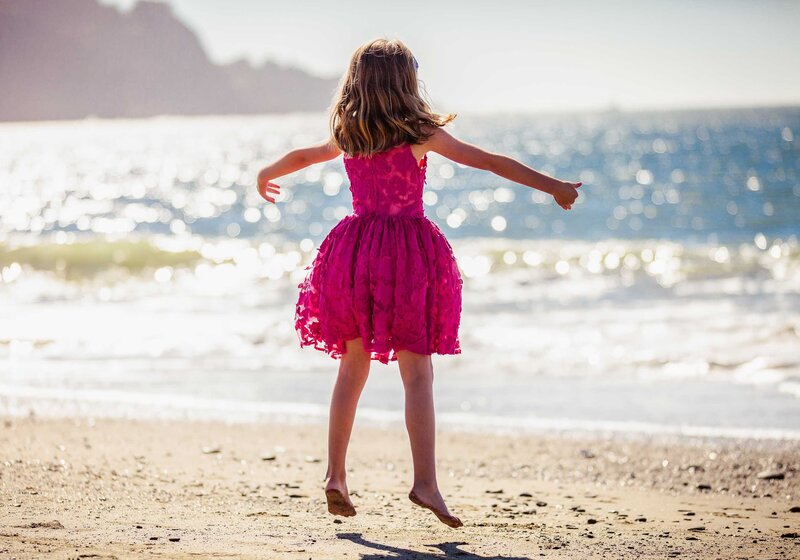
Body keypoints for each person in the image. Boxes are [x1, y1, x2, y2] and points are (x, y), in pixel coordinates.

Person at [256, 38, 582, 529]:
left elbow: (304, 156)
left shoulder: (350, 131)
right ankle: (425, 482)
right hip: (406, 259)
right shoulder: (420, 133)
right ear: (407, 84)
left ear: (356, 84)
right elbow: (490, 161)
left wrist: (266, 172)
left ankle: (335, 475)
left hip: (353, 254)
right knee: (418, 375)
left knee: (351, 368)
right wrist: (553, 186)